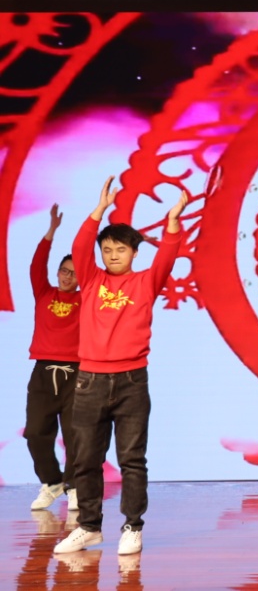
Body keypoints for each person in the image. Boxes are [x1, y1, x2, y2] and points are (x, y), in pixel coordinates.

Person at [54, 176, 188, 556]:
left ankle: (132, 526)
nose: (113, 255)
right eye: (107, 249)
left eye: (121, 249)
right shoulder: (91, 280)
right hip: (90, 381)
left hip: (131, 382)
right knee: (85, 459)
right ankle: (88, 527)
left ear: (134, 253)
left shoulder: (146, 282)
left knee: (132, 460)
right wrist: (99, 210)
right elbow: (80, 247)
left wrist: (172, 222)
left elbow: (169, 255)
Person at [25, 203, 82, 512]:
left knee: (75, 435)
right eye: (64, 271)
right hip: (43, 372)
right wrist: (51, 231)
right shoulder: (44, 293)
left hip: (77, 373)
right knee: (36, 432)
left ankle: (74, 486)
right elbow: (37, 264)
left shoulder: (87, 299)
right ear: (57, 272)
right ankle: (52, 482)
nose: (67, 277)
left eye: (74, 273)